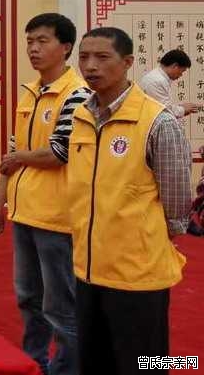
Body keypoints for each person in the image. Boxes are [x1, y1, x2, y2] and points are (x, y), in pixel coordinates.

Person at [69, 27, 192, 375]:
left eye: (102, 57)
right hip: (88, 269)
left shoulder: (158, 121)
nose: (90, 66)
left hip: (137, 276)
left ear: (127, 63)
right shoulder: (82, 116)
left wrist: (145, 236)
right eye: (84, 57)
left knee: (144, 364)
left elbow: (177, 203)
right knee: (95, 362)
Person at [0, 13, 90, 375]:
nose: (33, 48)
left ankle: (65, 369)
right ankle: (35, 363)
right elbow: (15, 153)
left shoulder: (77, 94)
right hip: (26, 213)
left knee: (61, 307)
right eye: (29, 41)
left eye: (42, 41)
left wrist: (20, 158)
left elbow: (60, 152)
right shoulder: (31, 91)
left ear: (65, 47)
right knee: (28, 299)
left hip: (58, 218)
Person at [137, 48, 201, 117]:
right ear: (175, 66)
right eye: (182, 71)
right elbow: (164, 111)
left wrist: (181, 107)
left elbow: (164, 105)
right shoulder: (156, 80)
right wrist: (183, 109)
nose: (181, 75)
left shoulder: (159, 77)